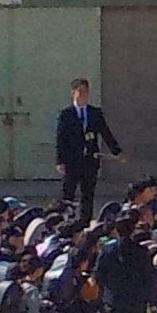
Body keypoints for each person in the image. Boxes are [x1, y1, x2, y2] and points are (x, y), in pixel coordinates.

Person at [55, 78, 123, 226]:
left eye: (85, 91)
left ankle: (85, 222)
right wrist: (60, 161)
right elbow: (61, 138)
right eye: (80, 91)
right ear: (73, 93)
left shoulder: (95, 113)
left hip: (90, 160)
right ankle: (64, 221)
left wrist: (117, 151)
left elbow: (105, 133)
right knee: (68, 192)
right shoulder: (66, 114)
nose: (83, 95)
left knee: (88, 193)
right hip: (72, 160)